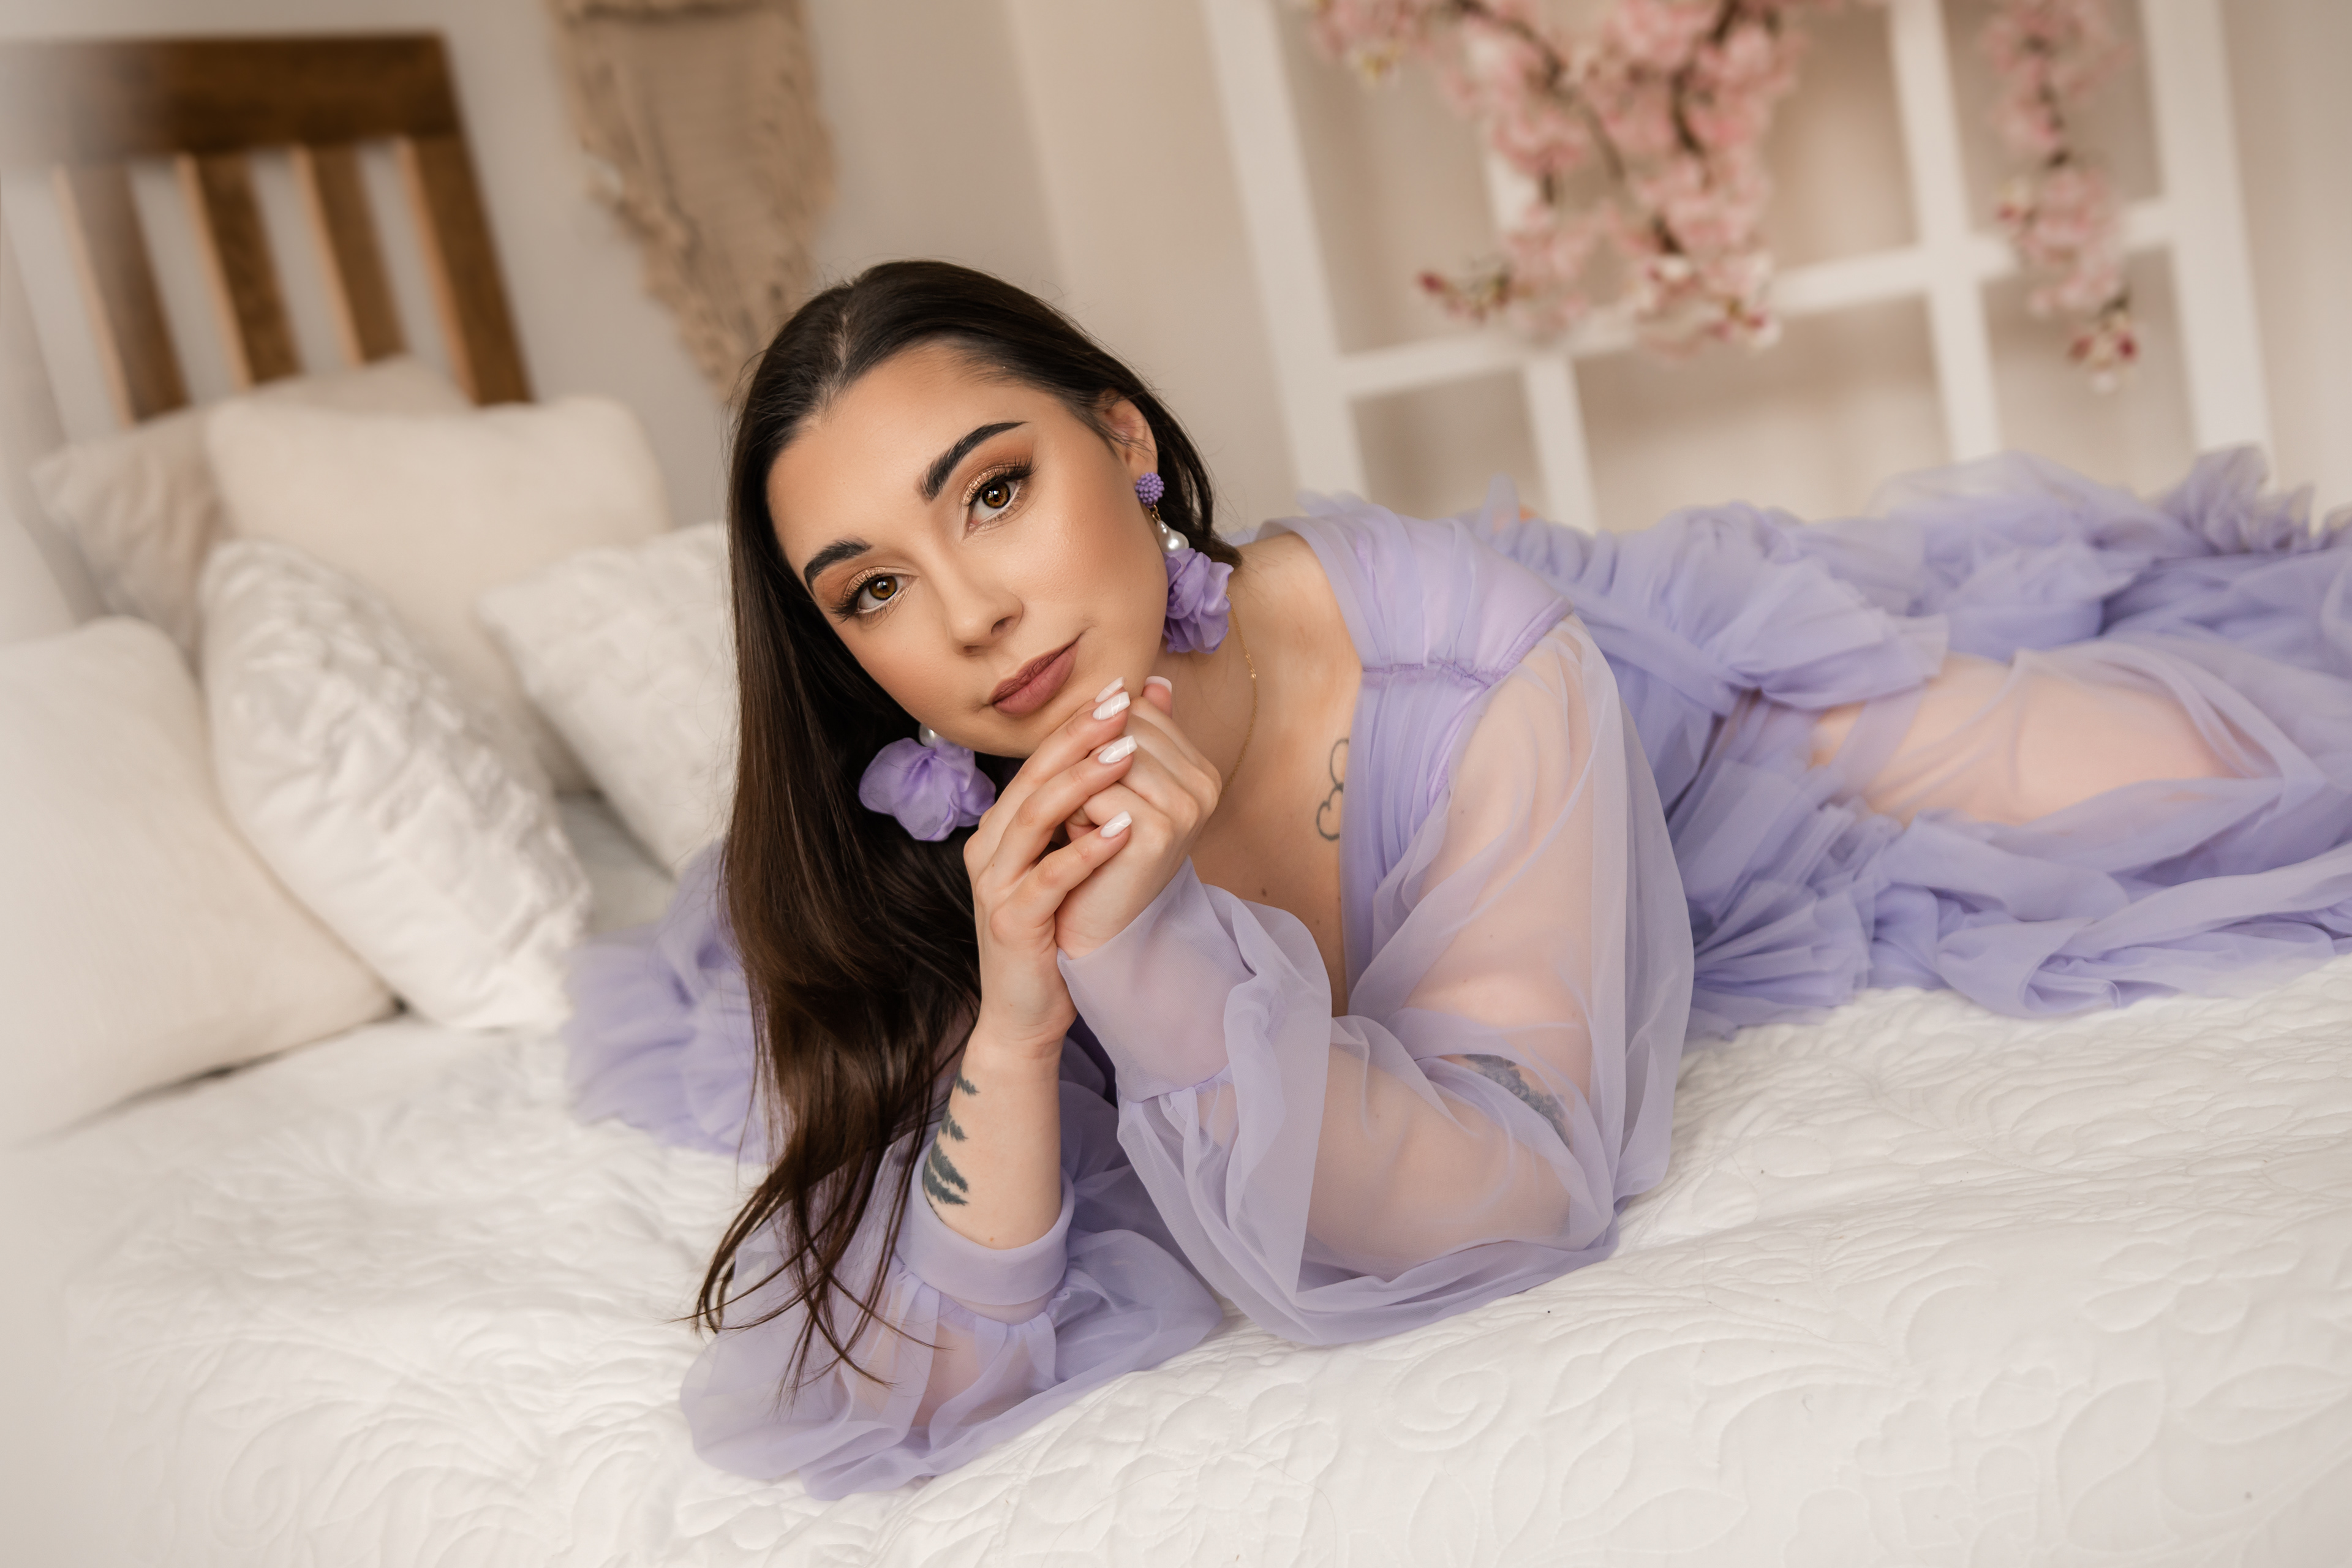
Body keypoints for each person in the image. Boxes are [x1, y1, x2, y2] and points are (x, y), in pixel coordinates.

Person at [568, 260, 2352, 1498]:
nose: (971, 615)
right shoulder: (916, 846)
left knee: (2198, 779)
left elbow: (1522, 1184)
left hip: (1667, 731)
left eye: (994, 492)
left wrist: (1163, 956)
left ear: (1122, 444)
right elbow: (908, 1398)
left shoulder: (1469, 665)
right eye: (873, 589)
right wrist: (1031, 1015)